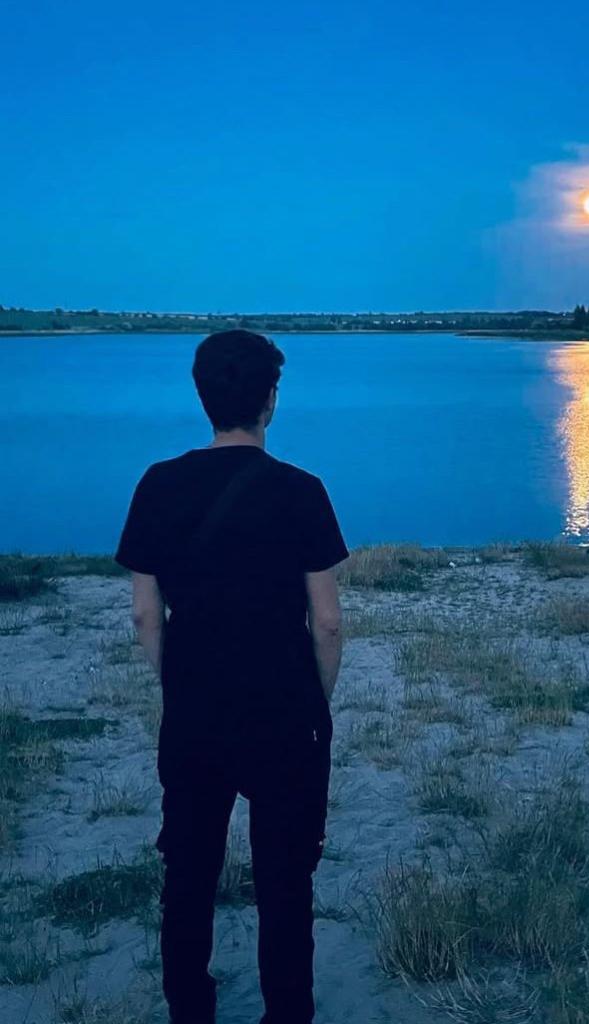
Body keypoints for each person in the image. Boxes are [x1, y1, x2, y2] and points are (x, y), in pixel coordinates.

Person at [114, 329, 349, 1024]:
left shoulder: (157, 485)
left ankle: (191, 1008)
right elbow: (327, 623)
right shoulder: (301, 491)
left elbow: (146, 615)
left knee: (187, 873)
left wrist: (177, 684)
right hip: (282, 710)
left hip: (194, 711)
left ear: (203, 397)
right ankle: (287, 1013)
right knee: (285, 880)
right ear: (270, 399)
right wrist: (314, 701)